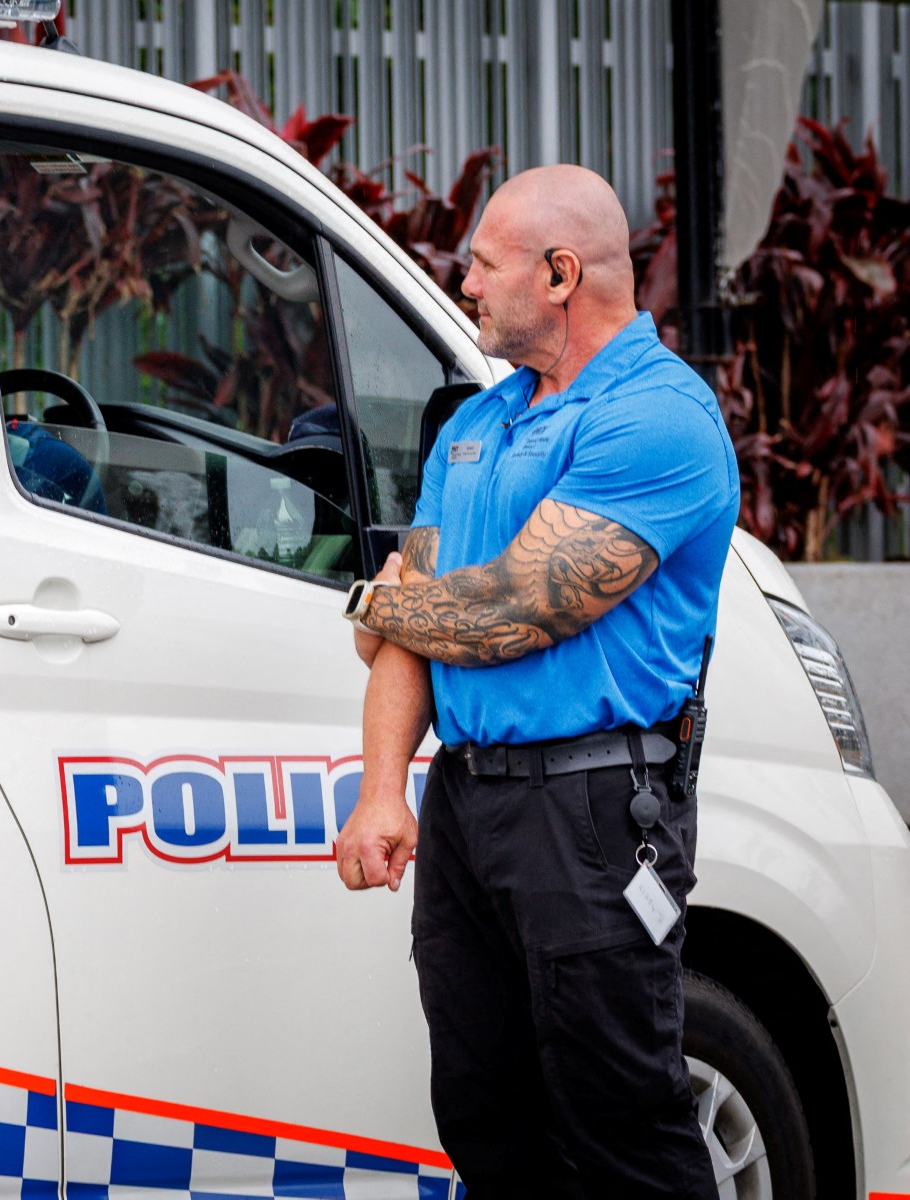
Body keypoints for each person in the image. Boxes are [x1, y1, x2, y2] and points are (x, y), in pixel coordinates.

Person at [332, 164, 737, 1198]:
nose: (463, 282)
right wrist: (383, 789)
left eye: (481, 263)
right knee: (481, 1104)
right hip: (469, 799)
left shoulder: (657, 419)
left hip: (593, 808)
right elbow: (415, 637)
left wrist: (372, 604)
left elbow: (510, 610)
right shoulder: (476, 422)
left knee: (616, 1113)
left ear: (558, 275)